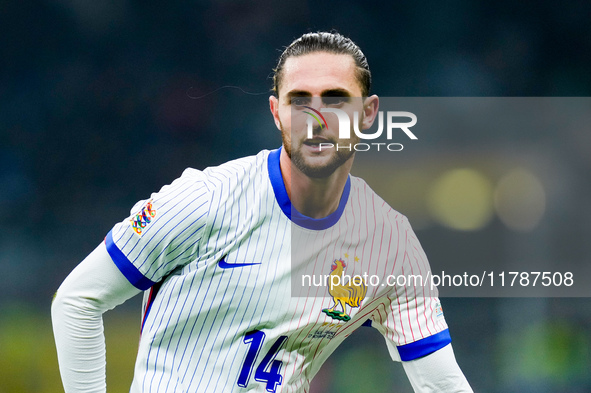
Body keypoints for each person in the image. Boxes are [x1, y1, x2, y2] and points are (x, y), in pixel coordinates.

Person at [52, 32, 473, 393]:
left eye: (335, 99)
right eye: (299, 100)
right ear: (276, 113)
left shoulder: (391, 243)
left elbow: (442, 383)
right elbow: (77, 301)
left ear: (368, 113)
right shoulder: (205, 199)